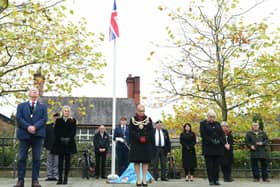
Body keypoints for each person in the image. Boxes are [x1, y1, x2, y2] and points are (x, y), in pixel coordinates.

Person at [14, 87, 48, 187]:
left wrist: (35, 127)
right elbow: (19, 118)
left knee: (37, 158)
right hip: (24, 135)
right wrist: (28, 126)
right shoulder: (21, 106)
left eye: (36, 91)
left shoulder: (43, 106)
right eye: (32, 91)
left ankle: (35, 181)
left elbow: (44, 118)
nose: (34, 92)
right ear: (29, 93)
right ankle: (20, 181)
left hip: (37, 135)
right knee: (21, 158)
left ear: (38, 94)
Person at [129, 104, 154, 186]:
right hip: (136, 144)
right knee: (136, 162)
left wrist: (145, 138)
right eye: (140, 111)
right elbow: (131, 131)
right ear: (137, 111)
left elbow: (151, 131)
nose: (142, 112)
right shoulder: (132, 120)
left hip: (146, 144)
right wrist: (139, 138)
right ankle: (138, 179)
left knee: (145, 162)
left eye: (143, 111)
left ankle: (144, 179)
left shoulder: (148, 119)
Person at [52, 106, 77, 185]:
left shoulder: (72, 121)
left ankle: (65, 178)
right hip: (60, 143)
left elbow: (73, 131)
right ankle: (60, 179)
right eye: (65, 111)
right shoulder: (58, 120)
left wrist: (68, 138)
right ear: (62, 112)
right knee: (60, 162)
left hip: (69, 144)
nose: (66, 112)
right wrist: (61, 138)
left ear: (69, 112)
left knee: (67, 162)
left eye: (67, 111)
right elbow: (56, 131)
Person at [200, 110, 225, 186]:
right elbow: (203, 135)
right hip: (208, 148)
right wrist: (211, 141)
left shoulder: (217, 124)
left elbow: (222, 134)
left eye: (213, 117)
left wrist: (219, 141)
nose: (212, 118)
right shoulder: (203, 124)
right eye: (211, 117)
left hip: (217, 148)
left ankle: (216, 180)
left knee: (216, 165)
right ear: (207, 117)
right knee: (209, 166)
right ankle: (211, 180)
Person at [44, 113, 59, 181]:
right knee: (49, 162)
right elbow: (45, 137)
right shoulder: (48, 126)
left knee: (56, 162)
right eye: (55, 117)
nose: (56, 119)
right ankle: (49, 176)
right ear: (53, 118)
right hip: (49, 147)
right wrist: (46, 146)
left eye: (58, 118)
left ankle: (55, 176)